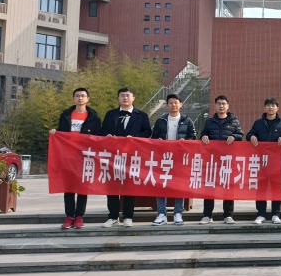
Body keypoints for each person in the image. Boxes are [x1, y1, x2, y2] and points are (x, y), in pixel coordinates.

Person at [50, 87, 101, 229]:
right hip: (68, 156)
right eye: (77, 96)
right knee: (68, 187)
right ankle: (69, 216)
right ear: (73, 98)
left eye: (83, 96)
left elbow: (98, 137)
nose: (80, 98)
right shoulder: (66, 115)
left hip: (85, 157)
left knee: (83, 187)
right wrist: (55, 132)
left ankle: (79, 216)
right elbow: (61, 132)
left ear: (87, 99)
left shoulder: (94, 117)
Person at [101, 87, 152, 227]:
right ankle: (113, 216)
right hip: (113, 156)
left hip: (131, 156)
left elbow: (147, 132)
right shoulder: (111, 114)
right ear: (118, 98)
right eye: (122, 95)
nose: (125, 98)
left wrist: (134, 137)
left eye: (128, 95)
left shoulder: (141, 116)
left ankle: (128, 216)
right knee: (112, 187)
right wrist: (107, 136)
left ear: (133, 98)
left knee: (129, 186)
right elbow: (103, 131)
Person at [150, 93, 197, 226]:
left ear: (181, 104)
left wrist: (185, 141)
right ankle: (161, 214)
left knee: (179, 185)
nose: (173, 105)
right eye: (170, 103)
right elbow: (153, 137)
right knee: (161, 185)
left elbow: (193, 137)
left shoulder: (187, 121)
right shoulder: (161, 121)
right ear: (167, 105)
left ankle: (178, 213)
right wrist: (158, 140)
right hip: (163, 158)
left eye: (176, 102)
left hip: (179, 158)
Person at [200, 95, 243, 224]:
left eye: (224, 103)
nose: (221, 106)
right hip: (212, 160)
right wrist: (204, 136)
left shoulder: (234, 121)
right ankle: (207, 215)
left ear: (228, 106)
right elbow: (203, 133)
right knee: (209, 187)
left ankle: (228, 215)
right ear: (215, 106)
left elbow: (240, 135)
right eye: (219, 103)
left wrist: (234, 136)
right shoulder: (210, 122)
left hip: (228, 160)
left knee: (228, 188)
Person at [249, 98, 281, 224]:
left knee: (276, 188)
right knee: (261, 188)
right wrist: (252, 136)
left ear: (277, 108)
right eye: (268, 105)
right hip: (261, 161)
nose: (270, 107)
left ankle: (275, 214)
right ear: (264, 108)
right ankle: (261, 214)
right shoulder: (258, 123)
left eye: (273, 105)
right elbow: (249, 135)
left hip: (276, 162)